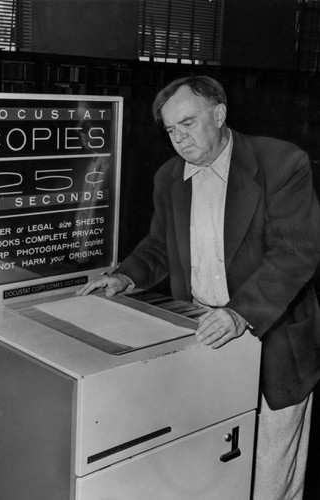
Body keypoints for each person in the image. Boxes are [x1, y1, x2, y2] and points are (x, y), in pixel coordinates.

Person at [77, 75, 320, 499]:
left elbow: (293, 254)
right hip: (203, 332)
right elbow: (158, 245)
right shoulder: (169, 177)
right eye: (171, 130)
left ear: (220, 114)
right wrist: (123, 276)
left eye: (188, 123)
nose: (179, 139)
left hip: (272, 332)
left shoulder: (282, 163)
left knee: (270, 473)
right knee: (214, 458)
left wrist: (239, 312)